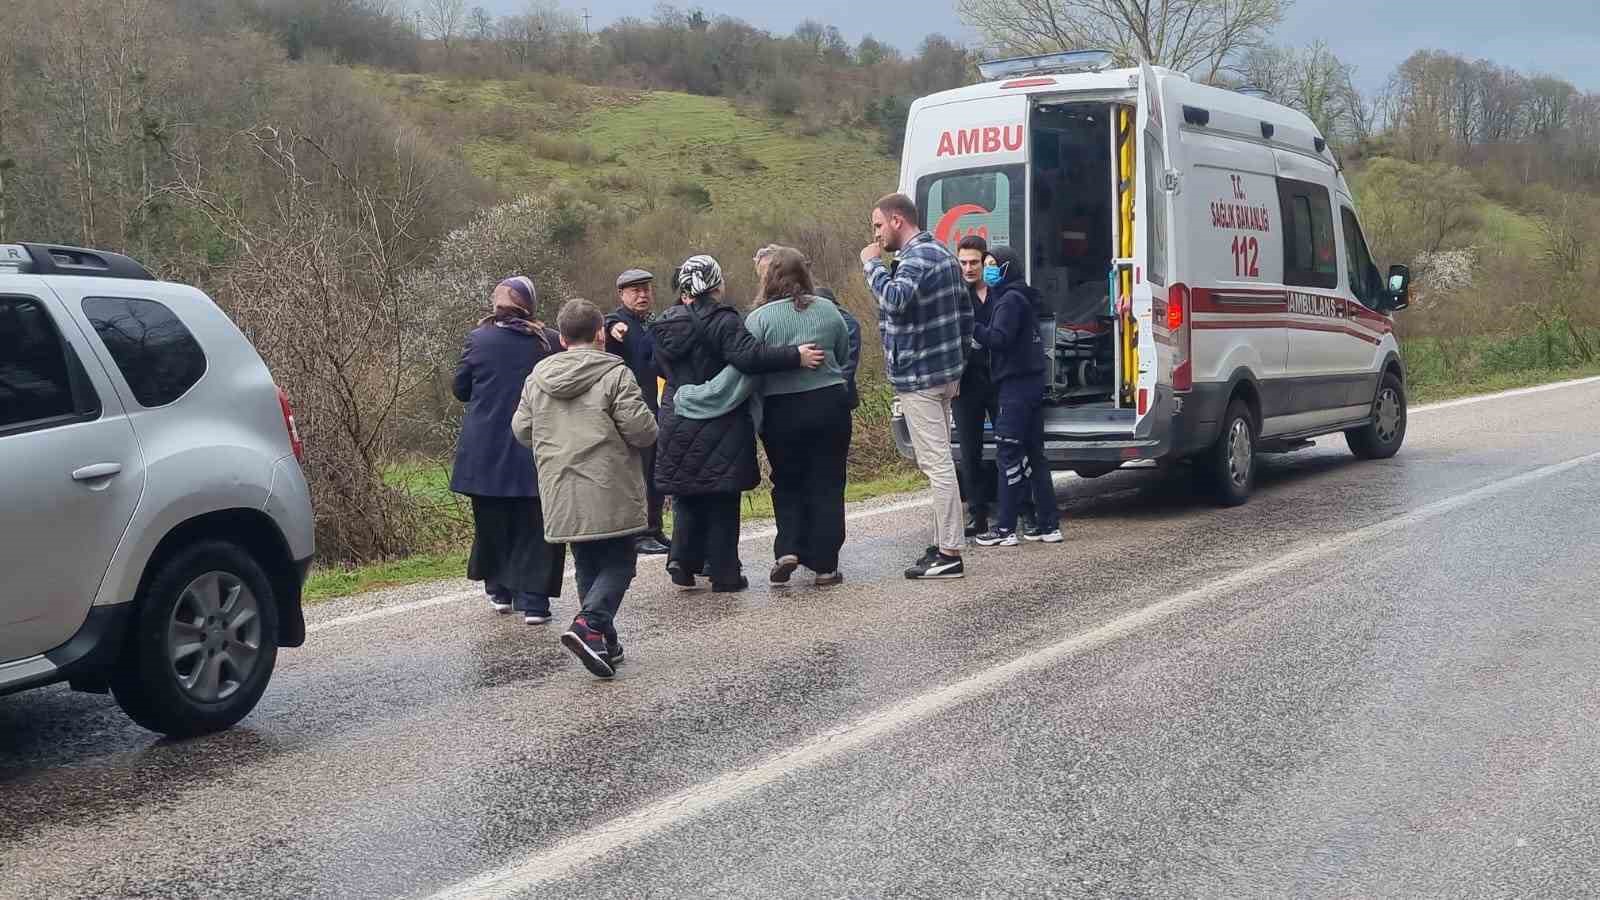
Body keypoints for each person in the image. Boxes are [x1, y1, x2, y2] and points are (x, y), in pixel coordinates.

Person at [652, 255, 825, 593]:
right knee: (721, 495)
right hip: (720, 418)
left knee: (687, 491)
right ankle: (725, 574)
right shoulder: (723, 320)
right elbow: (750, 356)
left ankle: (682, 560)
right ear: (716, 283)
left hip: (677, 414)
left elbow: (658, 368)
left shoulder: (664, 324)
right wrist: (795, 355)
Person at [513, 298, 658, 678]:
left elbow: (521, 430)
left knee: (588, 561)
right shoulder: (615, 373)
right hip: (608, 481)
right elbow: (641, 430)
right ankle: (589, 624)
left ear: (561, 338)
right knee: (621, 562)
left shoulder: (536, 379)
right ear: (600, 334)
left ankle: (604, 642)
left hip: (560, 483)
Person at [861, 193, 971, 580]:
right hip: (941, 375)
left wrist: (872, 264)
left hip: (919, 377)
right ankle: (944, 541)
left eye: (877, 225)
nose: (875, 234)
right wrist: (957, 369)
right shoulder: (942, 253)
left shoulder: (915, 258)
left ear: (896, 220)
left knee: (936, 463)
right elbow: (965, 315)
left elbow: (894, 300)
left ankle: (949, 551)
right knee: (937, 460)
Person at [450, 276, 566, 624]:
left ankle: (500, 590)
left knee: (493, 521)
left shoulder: (479, 339)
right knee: (538, 525)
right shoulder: (548, 343)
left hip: (486, 449)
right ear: (530, 304)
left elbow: (460, 389)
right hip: (536, 444)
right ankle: (535, 602)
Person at [744, 248, 853, 587]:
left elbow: (753, 364)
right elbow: (843, 351)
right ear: (805, 275)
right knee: (828, 482)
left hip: (781, 409)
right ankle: (825, 565)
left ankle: (788, 547)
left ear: (768, 278)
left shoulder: (758, 319)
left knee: (787, 480)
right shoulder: (829, 310)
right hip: (829, 403)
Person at [969, 246, 1064, 547]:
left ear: (1008, 267)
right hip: (1032, 383)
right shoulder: (1023, 296)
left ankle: (1005, 528)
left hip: (1014, 387)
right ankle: (1048, 525)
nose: (987, 270)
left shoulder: (1009, 300)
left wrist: (971, 328)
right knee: (1036, 455)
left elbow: (999, 339)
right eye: (986, 265)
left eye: (993, 264)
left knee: (1008, 454)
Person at [952, 235, 1036, 537]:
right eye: (963, 263)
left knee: (1013, 447)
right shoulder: (957, 296)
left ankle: (1025, 510)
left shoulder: (1003, 293)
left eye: (975, 262)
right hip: (967, 383)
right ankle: (977, 514)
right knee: (969, 452)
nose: (969, 268)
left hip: (1001, 380)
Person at [604, 268, 670, 556]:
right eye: (635, 290)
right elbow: (608, 327)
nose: (642, 295)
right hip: (631, 412)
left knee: (656, 472)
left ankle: (654, 528)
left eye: (646, 289)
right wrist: (612, 329)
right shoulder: (620, 323)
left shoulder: (651, 323)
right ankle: (638, 534)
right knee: (638, 473)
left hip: (655, 409)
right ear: (622, 295)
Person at [812, 286, 862, 410]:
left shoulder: (847, 323)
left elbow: (848, 364)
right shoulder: (817, 321)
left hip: (838, 392)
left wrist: (838, 391)